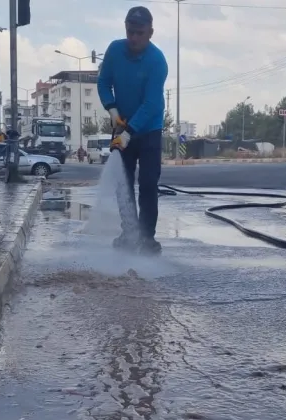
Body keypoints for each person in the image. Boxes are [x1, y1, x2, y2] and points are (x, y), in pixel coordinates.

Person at [97, 6, 168, 255]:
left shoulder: (157, 61)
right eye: (130, 32)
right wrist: (113, 110)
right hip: (121, 123)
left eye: (139, 33)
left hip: (149, 129)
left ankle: (147, 238)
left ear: (150, 32)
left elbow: (152, 104)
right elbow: (103, 82)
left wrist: (129, 132)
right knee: (123, 183)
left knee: (148, 184)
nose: (134, 38)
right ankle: (129, 233)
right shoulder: (115, 50)